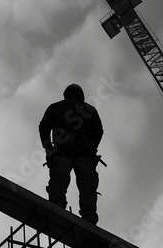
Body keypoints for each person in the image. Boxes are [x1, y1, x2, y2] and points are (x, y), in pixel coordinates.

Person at [39, 84, 104, 224]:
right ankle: (89, 217)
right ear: (81, 96)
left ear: (66, 95)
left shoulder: (55, 107)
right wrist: (92, 148)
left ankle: (56, 207)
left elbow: (44, 127)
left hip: (62, 148)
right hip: (85, 150)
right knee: (87, 183)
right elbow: (99, 131)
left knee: (59, 178)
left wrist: (48, 146)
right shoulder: (90, 109)